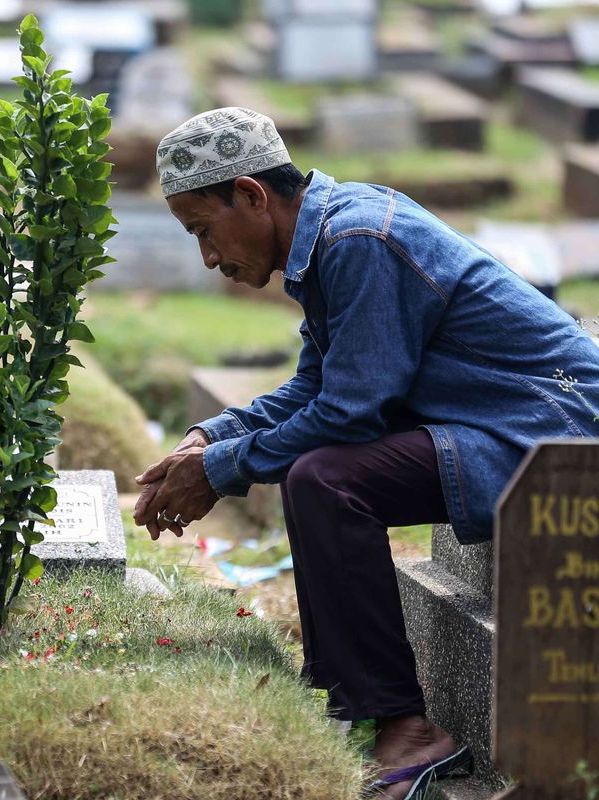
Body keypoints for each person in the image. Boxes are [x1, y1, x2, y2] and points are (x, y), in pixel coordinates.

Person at [132, 107, 599, 799]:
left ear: (253, 196)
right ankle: (355, 701)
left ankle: (403, 728)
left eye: (204, 228)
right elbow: (319, 386)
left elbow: (350, 414)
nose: (207, 255)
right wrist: (212, 438)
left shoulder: (359, 239)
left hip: (551, 430)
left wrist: (223, 472)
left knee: (327, 476)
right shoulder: (331, 238)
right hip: (502, 422)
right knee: (319, 471)